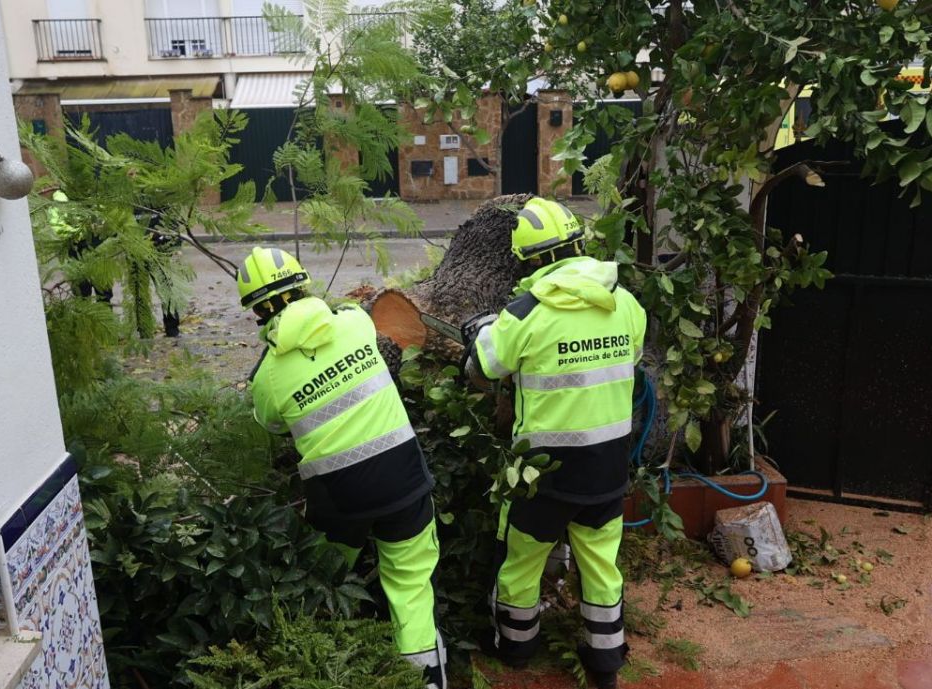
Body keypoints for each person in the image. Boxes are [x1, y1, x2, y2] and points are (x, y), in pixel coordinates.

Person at [240, 247, 445, 689]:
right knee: (411, 586)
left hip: (338, 497)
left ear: (257, 311)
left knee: (324, 581)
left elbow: (271, 423)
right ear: (304, 286)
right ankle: (424, 679)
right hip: (403, 478)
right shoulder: (354, 323)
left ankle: (322, 664)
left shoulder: (267, 378)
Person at [464, 198, 647, 689]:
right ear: (578, 244)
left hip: (541, 474)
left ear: (530, 261)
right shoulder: (625, 303)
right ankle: (605, 664)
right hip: (608, 465)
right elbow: (629, 357)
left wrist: (481, 330)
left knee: (519, 562)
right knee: (602, 566)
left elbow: (483, 368)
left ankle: (515, 649)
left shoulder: (525, 314)